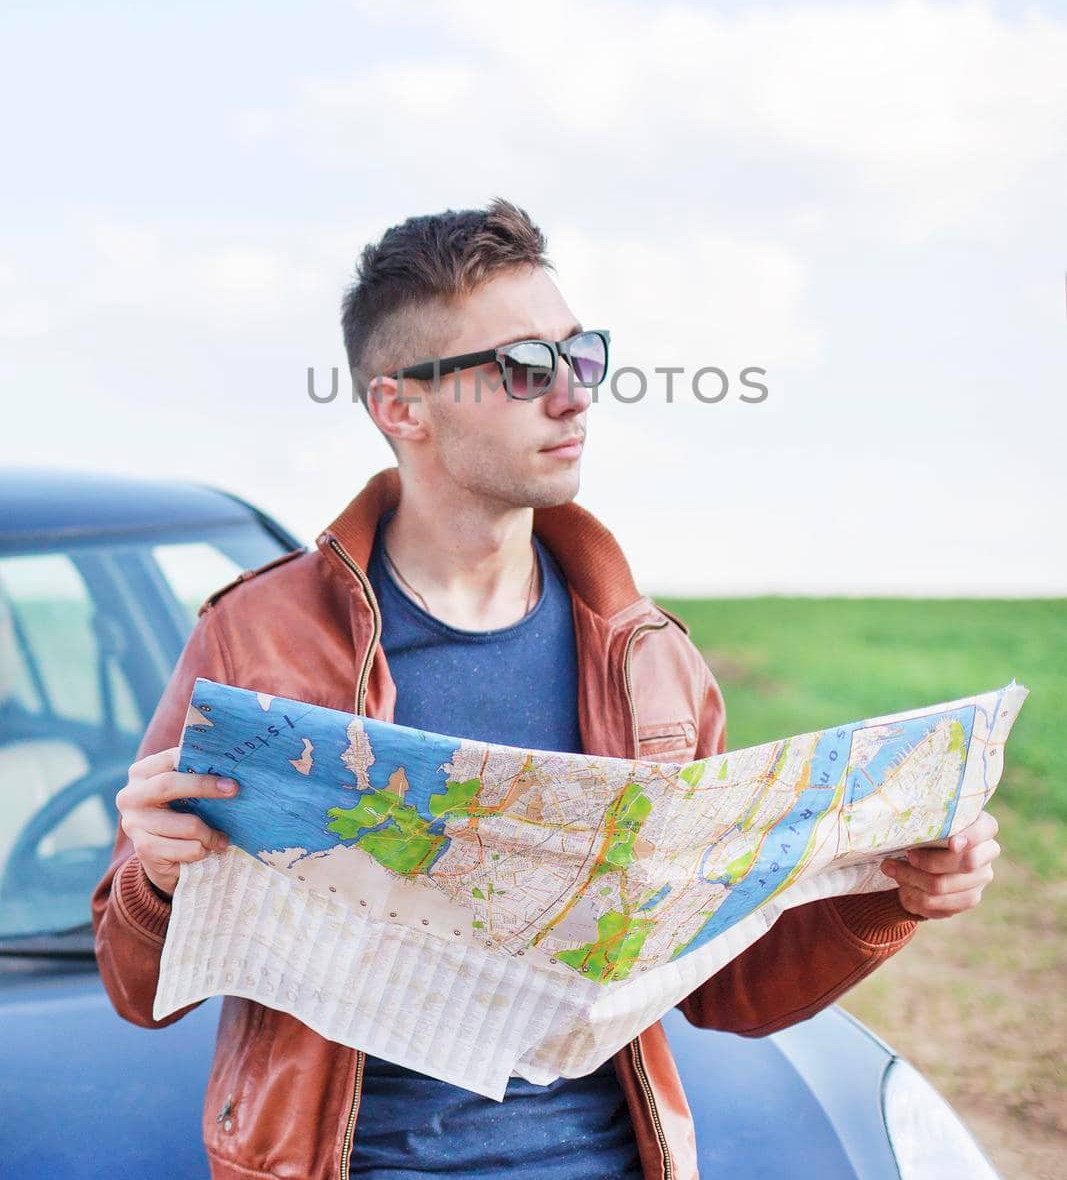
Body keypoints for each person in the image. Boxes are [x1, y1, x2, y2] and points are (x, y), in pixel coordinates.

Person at [91, 197, 1002, 1180]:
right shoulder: (259, 638)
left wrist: (893, 896)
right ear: (402, 406)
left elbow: (724, 990)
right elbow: (139, 990)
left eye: (583, 354)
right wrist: (157, 874)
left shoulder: (645, 657)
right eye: (527, 368)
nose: (573, 395)